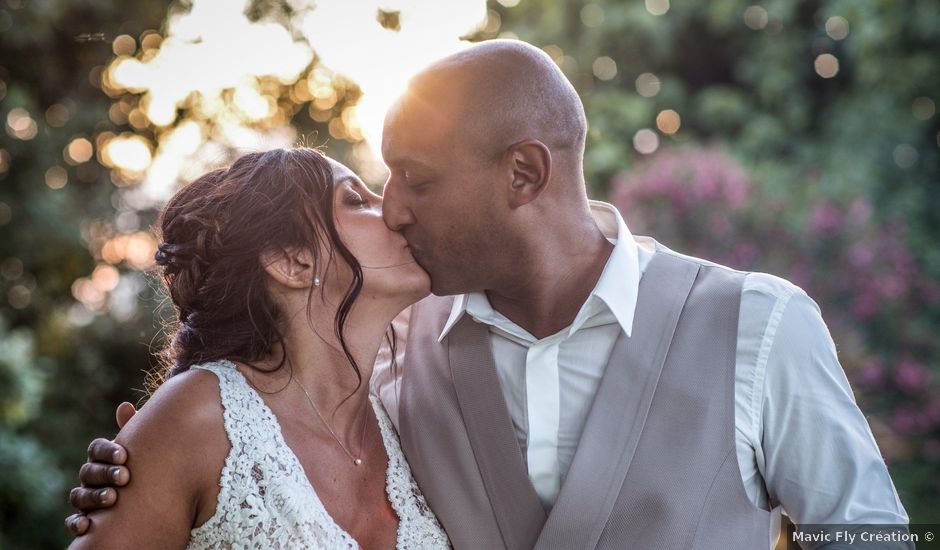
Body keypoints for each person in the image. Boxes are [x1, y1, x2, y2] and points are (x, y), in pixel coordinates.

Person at [68, 40, 910, 549]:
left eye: (416, 180)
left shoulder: (757, 324)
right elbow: (271, 439)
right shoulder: (393, 352)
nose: (393, 209)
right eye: (372, 188)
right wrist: (145, 471)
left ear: (524, 174)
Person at [65, 147, 450, 548]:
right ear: (292, 262)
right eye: (355, 199)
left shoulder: (410, 410)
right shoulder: (196, 418)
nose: (389, 208)